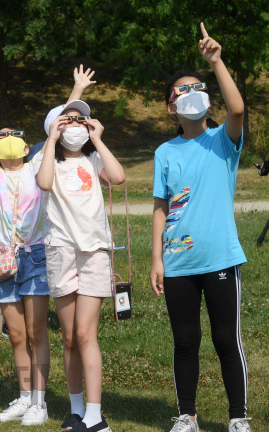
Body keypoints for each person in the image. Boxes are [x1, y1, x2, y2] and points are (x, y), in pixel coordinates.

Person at [0, 62, 96, 426]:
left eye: (13, 133)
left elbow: (59, 127)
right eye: (0, 135)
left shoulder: (38, 165)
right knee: (16, 333)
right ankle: (23, 398)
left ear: (24, 142)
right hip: (1, 258)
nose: (7, 138)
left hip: (35, 255)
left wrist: (77, 90)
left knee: (37, 332)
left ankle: (40, 402)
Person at [150, 23, 250, 432]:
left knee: (227, 340)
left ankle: (238, 417)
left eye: (199, 87)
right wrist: (156, 258)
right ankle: (186, 415)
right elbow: (160, 208)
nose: (192, 93)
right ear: (171, 108)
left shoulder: (223, 141)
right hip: (178, 263)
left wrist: (217, 60)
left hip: (221, 257)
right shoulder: (163, 152)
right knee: (186, 341)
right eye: (182, 90)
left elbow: (239, 109)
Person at [36, 96, 125, 431]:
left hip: (95, 251)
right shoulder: (48, 160)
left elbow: (117, 177)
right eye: (67, 121)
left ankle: (94, 414)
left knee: (87, 334)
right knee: (70, 337)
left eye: (81, 121)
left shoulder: (92, 157)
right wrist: (51, 141)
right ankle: (75, 410)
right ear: (55, 128)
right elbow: (44, 183)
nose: (75, 126)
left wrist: (98, 139)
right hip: (61, 251)